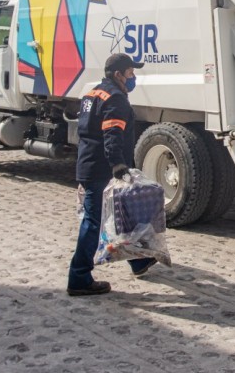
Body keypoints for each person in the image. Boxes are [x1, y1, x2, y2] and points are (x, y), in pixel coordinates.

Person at [67, 53, 157, 296]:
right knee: (95, 222)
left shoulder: (92, 93)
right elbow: (112, 135)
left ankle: (138, 261)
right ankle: (79, 277)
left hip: (88, 163)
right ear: (118, 75)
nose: (133, 77)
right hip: (102, 169)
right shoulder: (116, 98)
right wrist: (118, 164)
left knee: (118, 216)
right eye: (130, 73)